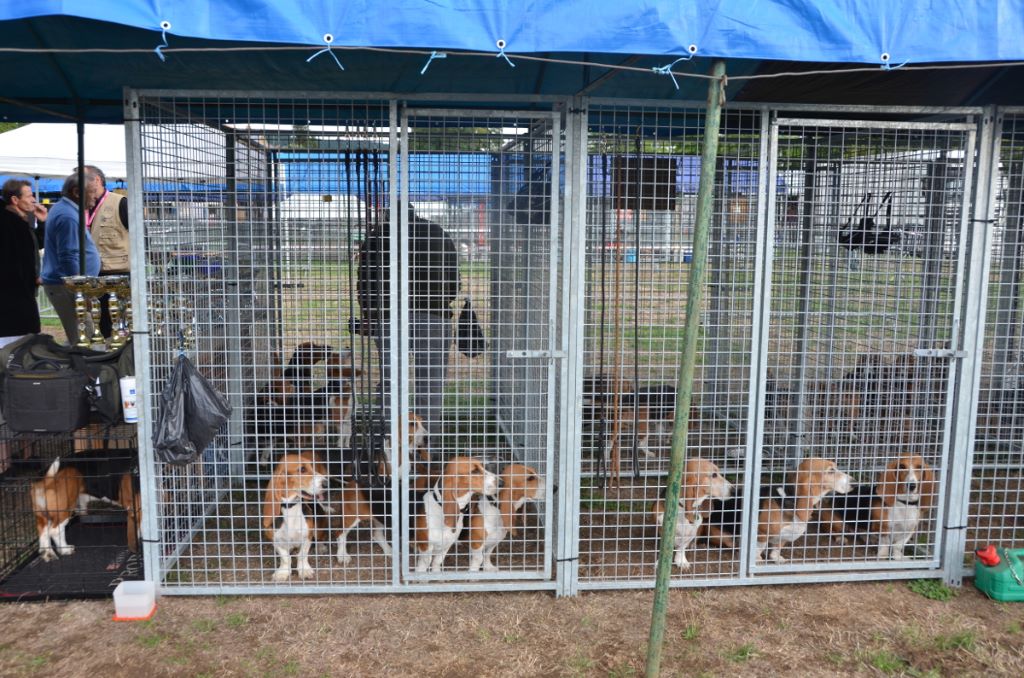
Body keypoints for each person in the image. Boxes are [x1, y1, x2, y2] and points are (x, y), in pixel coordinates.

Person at [356, 207, 460, 440]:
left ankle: (387, 442)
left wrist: (369, 312)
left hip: (389, 316)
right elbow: (454, 280)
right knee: (431, 384)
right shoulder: (437, 232)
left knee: (391, 382)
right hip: (434, 315)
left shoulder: (378, 236)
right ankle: (428, 445)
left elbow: (364, 280)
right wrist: (442, 298)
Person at [41, 171, 100, 344]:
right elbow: (67, 257)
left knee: (83, 335)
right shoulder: (67, 216)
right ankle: (84, 370)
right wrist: (80, 292)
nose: (95, 197)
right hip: (66, 288)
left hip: (66, 287)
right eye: (92, 192)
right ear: (76, 192)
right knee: (84, 339)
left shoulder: (66, 210)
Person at [82, 165, 129, 338]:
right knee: (99, 323)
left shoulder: (120, 202)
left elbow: (141, 235)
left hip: (119, 274)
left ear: (97, 180)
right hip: (92, 275)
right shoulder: (81, 206)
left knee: (119, 323)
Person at [0, 179, 47, 348]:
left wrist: (41, 223)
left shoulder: (21, 221)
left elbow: (35, 246)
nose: (34, 199)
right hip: (12, 296)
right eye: (29, 196)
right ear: (15, 200)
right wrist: (29, 279)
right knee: (15, 341)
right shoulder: (7, 223)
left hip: (21, 293)